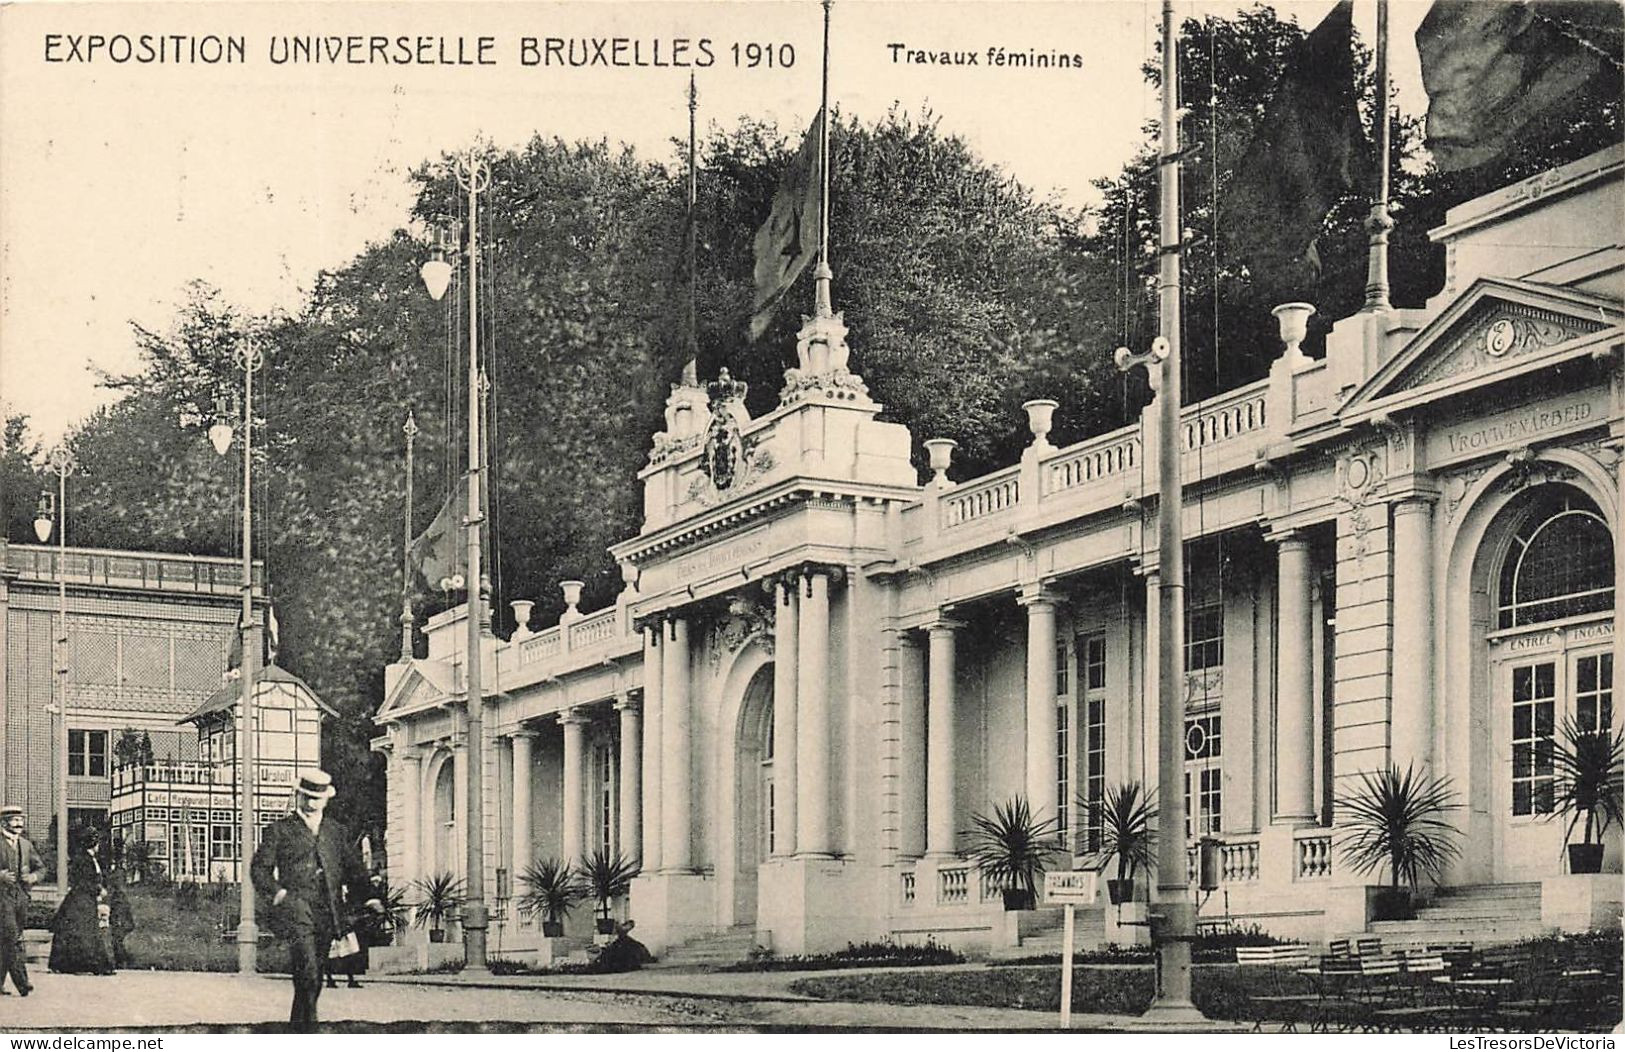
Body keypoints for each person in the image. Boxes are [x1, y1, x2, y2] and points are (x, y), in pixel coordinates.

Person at [250, 770, 381, 1032]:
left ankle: (297, 1030)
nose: (310, 803)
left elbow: (355, 870)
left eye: (316, 799)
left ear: (326, 800)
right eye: (306, 797)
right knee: (308, 971)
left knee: (314, 977)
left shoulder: (336, 832)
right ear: (298, 795)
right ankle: (310, 1033)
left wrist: (371, 897)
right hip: (296, 909)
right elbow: (259, 870)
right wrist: (280, 894)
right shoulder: (279, 830)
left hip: (329, 911)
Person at [49, 826, 116, 974]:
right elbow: (82, 881)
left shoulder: (90, 858)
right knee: (82, 931)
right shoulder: (83, 859)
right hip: (80, 899)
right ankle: (84, 965)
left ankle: (84, 964)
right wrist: (99, 889)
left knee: (84, 931)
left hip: (85, 898)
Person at [0, 804, 45, 996]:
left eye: (21, 820)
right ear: (4, 822)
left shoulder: (26, 845)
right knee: (12, 937)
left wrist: (33, 878)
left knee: (6, 940)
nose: (19, 824)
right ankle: (23, 983)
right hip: (1, 897)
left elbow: (41, 868)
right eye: (14, 820)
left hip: (21, 897)